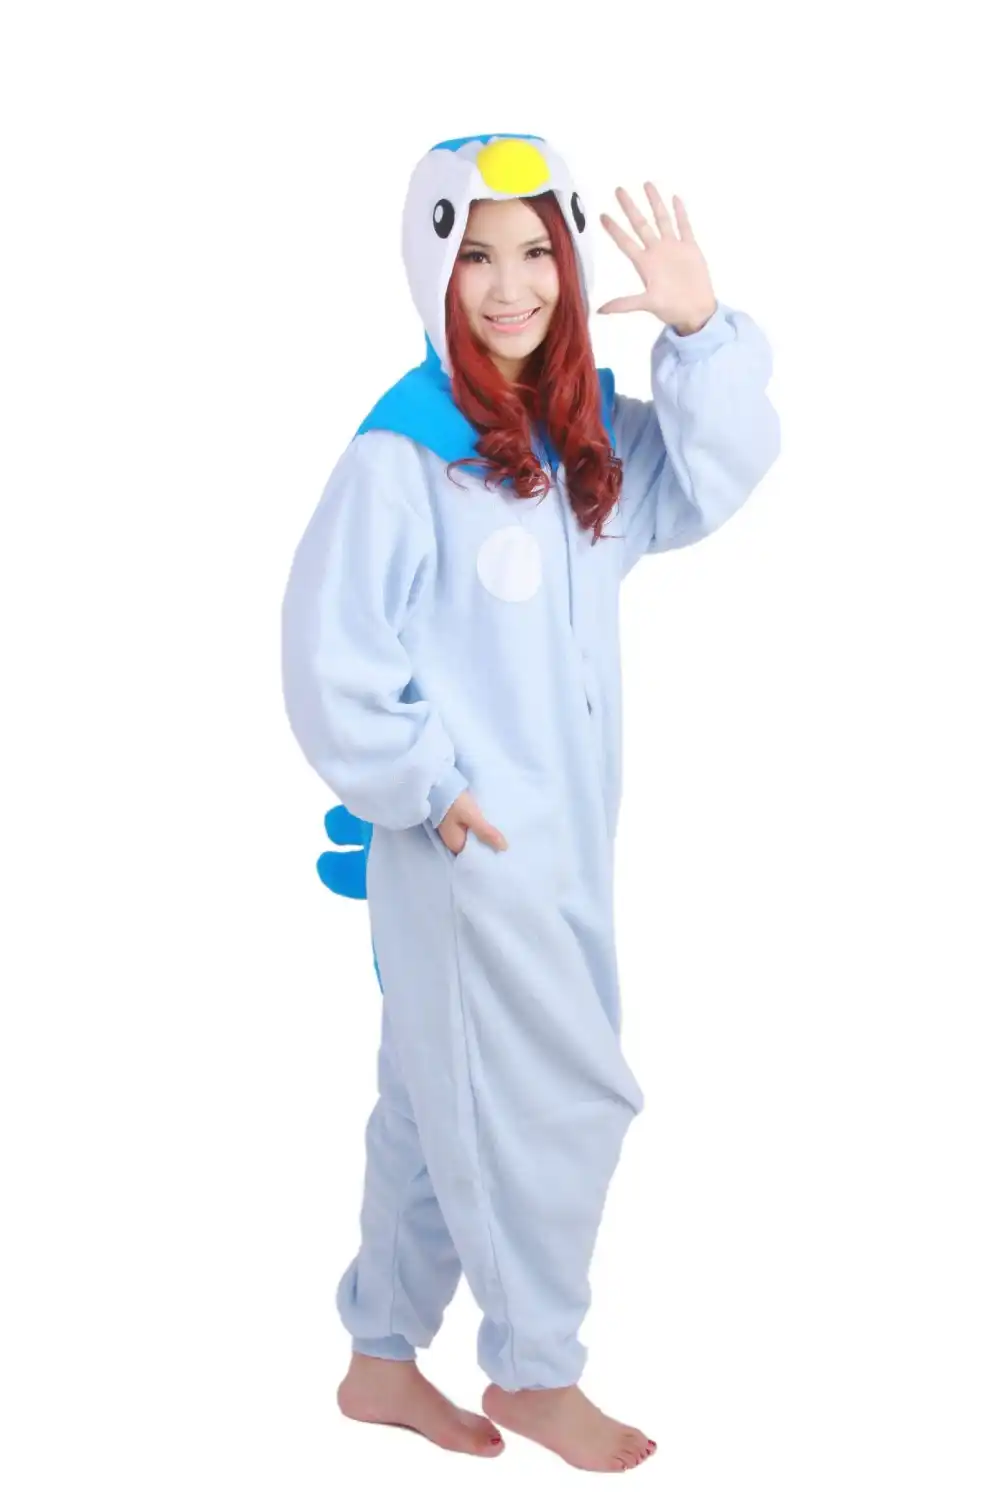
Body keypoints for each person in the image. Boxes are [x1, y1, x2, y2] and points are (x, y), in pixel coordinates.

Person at [281, 132, 780, 1473]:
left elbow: (715, 477)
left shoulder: (578, 444)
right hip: (470, 849)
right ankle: (537, 1370)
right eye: (478, 258)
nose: (513, 287)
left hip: (563, 838)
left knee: (431, 1097)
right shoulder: (405, 454)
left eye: (536, 253)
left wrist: (704, 335)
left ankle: (381, 1358)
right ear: (433, 269)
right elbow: (330, 650)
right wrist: (429, 791)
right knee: (550, 1099)